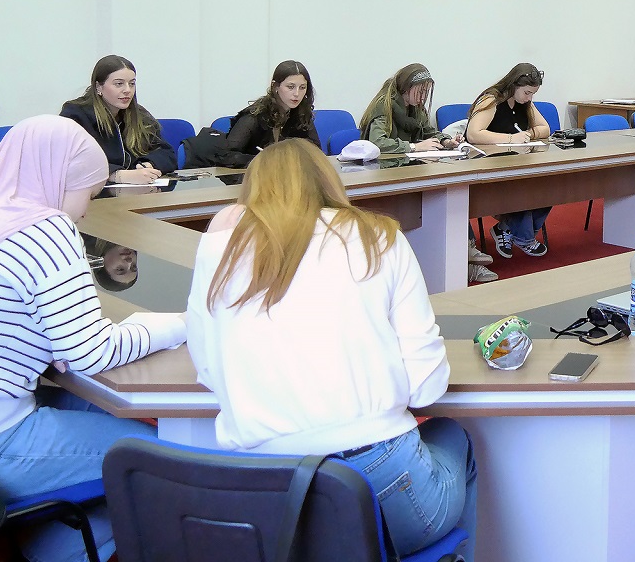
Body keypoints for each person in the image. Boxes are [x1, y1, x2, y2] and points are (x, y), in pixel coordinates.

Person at [186, 140, 476, 561]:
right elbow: (427, 388)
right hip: (380, 479)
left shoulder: (219, 249)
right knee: (452, 436)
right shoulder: (378, 236)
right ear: (329, 180)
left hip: (264, 494)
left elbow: (209, 371)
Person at [0, 116, 186, 562]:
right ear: (57, 179)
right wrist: (182, 324)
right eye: (89, 193)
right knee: (170, 455)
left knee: (119, 416)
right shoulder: (44, 229)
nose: (84, 211)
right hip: (1, 440)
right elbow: (91, 352)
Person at [360, 63, 495, 281]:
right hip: (385, 175)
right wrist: (414, 147)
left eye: (426, 92)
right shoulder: (384, 107)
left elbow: (428, 131)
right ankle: (464, 256)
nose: (423, 97)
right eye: (420, 91)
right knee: (438, 201)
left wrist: (446, 140)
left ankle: (465, 252)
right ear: (406, 88)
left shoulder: (416, 108)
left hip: (411, 170)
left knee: (451, 193)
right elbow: (377, 143)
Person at [465, 63, 552, 259]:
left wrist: (528, 134)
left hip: (513, 161)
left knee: (549, 184)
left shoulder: (523, 102)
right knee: (523, 185)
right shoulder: (491, 99)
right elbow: (473, 134)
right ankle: (523, 237)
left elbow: (545, 128)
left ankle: (507, 229)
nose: (529, 98)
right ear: (514, 85)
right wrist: (511, 138)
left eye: (533, 94)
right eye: (527, 92)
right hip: (485, 165)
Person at [60, 55, 177, 183]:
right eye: (119, 84)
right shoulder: (76, 114)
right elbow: (70, 162)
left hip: (137, 191)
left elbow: (166, 153)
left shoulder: (139, 114)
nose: (127, 90)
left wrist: (148, 164)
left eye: (132, 84)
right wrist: (116, 175)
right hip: (94, 193)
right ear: (98, 87)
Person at [217, 60, 321, 168]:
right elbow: (226, 156)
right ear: (275, 86)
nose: (297, 93)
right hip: (253, 174)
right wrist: (265, 159)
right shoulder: (254, 116)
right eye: (290, 87)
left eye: (302, 87)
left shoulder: (301, 113)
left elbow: (316, 151)